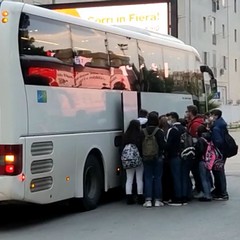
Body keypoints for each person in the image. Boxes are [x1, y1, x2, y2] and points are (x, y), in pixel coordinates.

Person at [141, 112, 165, 207]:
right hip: (157, 157)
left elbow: (140, 145)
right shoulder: (159, 131)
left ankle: (148, 200)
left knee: (147, 178)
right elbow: (163, 145)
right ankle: (158, 200)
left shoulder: (143, 131)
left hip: (146, 157)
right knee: (158, 178)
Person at [165, 112, 190, 206]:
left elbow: (168, 144)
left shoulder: (172, 130)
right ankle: (184, 197)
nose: (168, 120)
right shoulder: (184, 128)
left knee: (176, 177)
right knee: (184, 176)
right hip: (185, 155)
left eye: (169, 118)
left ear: (173, 118)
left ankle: (177, 198)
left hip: (175, 155)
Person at [122, 120, 144, 204]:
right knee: (139, 179)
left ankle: (129, 198)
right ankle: (140, 197)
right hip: (138, 159)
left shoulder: (125, 135)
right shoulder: (140, 135)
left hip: (128, 160)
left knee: (129, 179)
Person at [209, 109, 229, 200]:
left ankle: (222, 193)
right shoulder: (221, 124)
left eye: (211, 115)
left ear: (216, 116)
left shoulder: (216, 128)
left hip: (218, 153)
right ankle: (220, 191)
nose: (210, 117)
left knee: (218, 172)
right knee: (219, 172)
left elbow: (218, 141)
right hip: (222, 152)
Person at [185, 105, 204, 198]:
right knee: (197, 172)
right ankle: (199, 188)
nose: (186, 113)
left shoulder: (194, 124)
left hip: (195, 151)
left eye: (187, 111)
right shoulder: (197, 122)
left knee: (196, 172)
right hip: (198, 151)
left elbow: (193, 138)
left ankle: (200, 189)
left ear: (191, 112)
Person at [195, 125, 213, 201]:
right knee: (207, 177)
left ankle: (206, 195)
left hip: (202, 160)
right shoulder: (209, 139)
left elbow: (200, 151)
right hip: (208, 160)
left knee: (203, 178)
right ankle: (209, 192)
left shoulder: (200, 140)